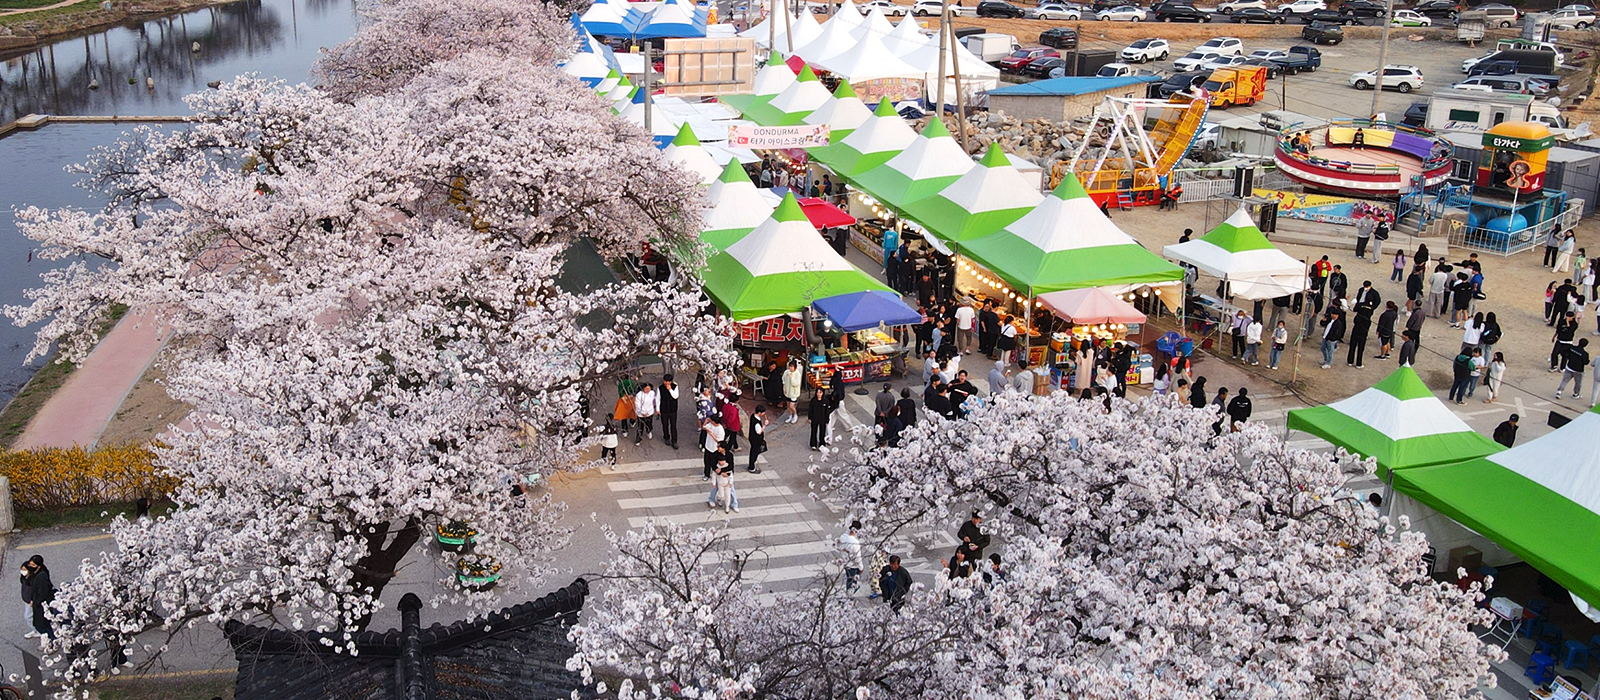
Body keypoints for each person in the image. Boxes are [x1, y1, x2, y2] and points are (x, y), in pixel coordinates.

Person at [23, 556, 52, 641]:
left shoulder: (41, 576)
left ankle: (47, 638)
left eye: (33, 565)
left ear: (38, 566)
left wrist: (35, 601)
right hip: (33, 599)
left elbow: (42, 592)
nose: (30, 566)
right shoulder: (33, 573)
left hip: (38, 602)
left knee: (40, 622)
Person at [838, 521, 863, 592]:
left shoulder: (843, 537)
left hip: (846, 563)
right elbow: (858, 557)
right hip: (853, 566)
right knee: (853, 584)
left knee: (849, 580)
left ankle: (847, 595)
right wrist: (861, 567)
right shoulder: (855, 542)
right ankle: (848, 596)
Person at [1347, 301, 1371, 368]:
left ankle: (1350, 361)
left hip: (1355, 332)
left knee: (1352, 347)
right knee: (1360, 349)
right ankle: (1358, 363)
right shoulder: (1368, 320)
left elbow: (1355, 322)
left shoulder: (1357, 318)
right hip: (1363, 335)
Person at [702, 415, 727, 480]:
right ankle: (706, 474)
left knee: (714, 463)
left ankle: (716, 474)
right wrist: (705, 422)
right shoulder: (710, 424)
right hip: (708, 446)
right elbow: (704, 427)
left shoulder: (720, 430)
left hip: (715, 449)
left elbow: (719, 441)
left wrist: (712, 434)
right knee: (706, 462)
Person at [660, 374, 681, 449]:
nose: (666, 383)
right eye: (665, 381)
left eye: (668, 382)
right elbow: (658, 398)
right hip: (664, 409)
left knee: (673, 425)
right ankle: (666, 437)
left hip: (672, 409)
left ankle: (674, 440)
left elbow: (675, 396)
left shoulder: (675, 387)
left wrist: (670, 389)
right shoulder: (660, 388)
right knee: (665, 424)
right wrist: (657, 409)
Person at [747, 406, 767, 473]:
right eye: (763, 412)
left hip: (752, 437)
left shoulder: (753, 416)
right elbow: (759, 432)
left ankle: (751, 465)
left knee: (753, 451)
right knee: (754, 453)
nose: (764, 413)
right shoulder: (757, 423)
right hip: (756, 440)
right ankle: (751, 467)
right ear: (759, 412)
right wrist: (764, 425)